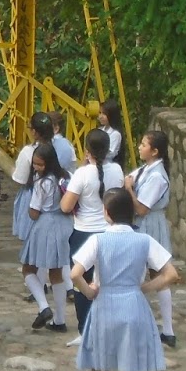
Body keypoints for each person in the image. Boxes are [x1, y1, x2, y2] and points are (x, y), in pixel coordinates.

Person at [71, 187, 180, 371]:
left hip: (105, 306)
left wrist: (89, 292)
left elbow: (75, 273)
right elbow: (171, 274)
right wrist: (144, 288)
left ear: (107, 213)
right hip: (133, 305)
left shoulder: (98, 240)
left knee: (99, 368)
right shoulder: (144, 240)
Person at [61, 128, 125, 340]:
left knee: (82, 284)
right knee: (108, 282)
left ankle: (85, 330)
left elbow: (66, 206)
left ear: (87, 150)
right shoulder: (117, 170)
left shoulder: (83, 174)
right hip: (110, 231)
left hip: (84, 233)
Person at [19, 140, 72, 332]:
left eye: (40, 164)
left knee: (28, 268)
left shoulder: (42, 183)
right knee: (56, 272)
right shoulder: (66, 177)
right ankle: (60, 320)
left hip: (45, 225)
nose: (36, 167)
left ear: (48, 163)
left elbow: (34, 212)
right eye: (34, 163)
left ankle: (43, 306)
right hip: (64, 224)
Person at [130, 129, 176, 348]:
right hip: (146, 224)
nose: (140, 147)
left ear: (155, 151)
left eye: (144, 145)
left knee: (153, 274)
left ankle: (166, 328)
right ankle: (160, 328)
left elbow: (142, 208)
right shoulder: (146, 169)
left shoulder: (157, 176)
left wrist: (129, 190)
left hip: (149, 225)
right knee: (151, 273)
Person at [10, 112, 56, 247]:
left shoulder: (28, 151)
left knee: (29, 236)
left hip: (32, 194)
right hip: (54, 194)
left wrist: (13, 171)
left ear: (34, 132)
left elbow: (20, 179)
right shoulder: (58, 147)